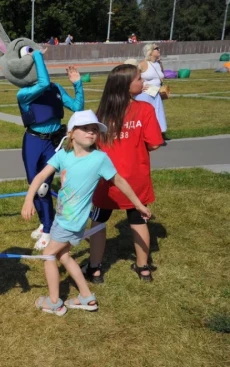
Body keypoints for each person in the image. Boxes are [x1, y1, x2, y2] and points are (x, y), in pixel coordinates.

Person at [21, 110, 152, 316]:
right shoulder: (63, 155)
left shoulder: (100, 158)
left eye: (94, 130)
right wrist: (29, 199)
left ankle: (54, 302)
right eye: (86, 129)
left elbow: (119, 181)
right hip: (62, 217)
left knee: (48, 255)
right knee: (64, 256)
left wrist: (138, 204)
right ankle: (86, 297)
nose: (91, 133)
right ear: (72, 133)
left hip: (72, 222)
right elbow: (40, 176)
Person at [84, 64, 164, 283]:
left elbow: (92, 145)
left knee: (98, 223)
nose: (143, 82)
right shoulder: (145, 109)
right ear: (125, 86)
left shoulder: (100, 113)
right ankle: (144, 268)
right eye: (138, 79)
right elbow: (155, 144)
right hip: (135, 180)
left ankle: (94, 269)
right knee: (138, 222)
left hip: (106, 181)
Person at [17, 47, 84, 249]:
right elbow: (43, 82)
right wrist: (37, 54)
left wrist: (77, 85)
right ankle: (44, 221)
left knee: (44, 188)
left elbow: (77, 108)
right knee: (34, 185)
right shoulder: (24, 94)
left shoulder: (55, 88)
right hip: (33, 141)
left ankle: (48, 229)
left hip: (53, 143)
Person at [135, 44, 169, 141]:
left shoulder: (158, 64)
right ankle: (142, 135)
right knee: (146, 115)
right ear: (150, 51)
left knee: (157, 113)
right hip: (145, 94)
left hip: (156, 93)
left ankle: (158, 134)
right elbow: (134, 76)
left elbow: (161, 75)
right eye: (156, 48)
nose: (159, 50)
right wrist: (140, 86)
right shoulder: (143, 64)